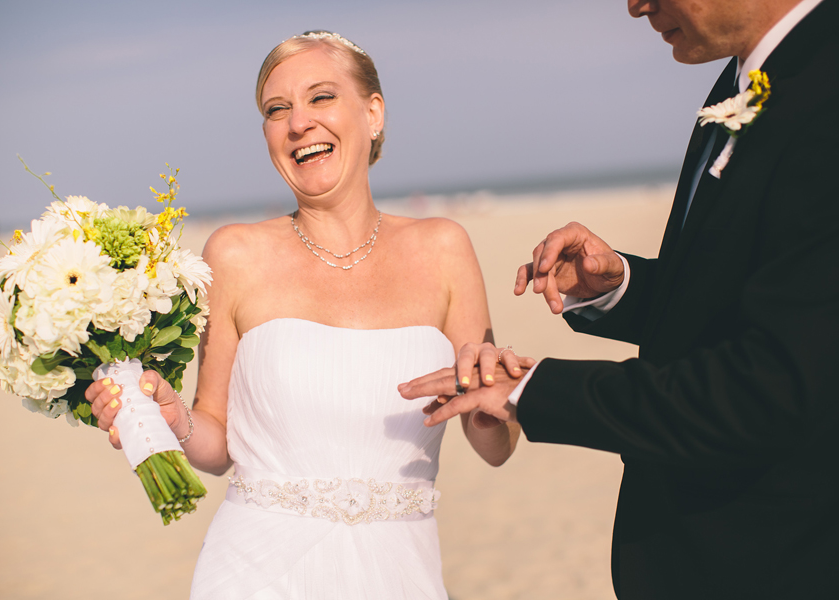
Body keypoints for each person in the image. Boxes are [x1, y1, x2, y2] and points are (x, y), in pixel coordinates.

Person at [400, 1, 839, 598]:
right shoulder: (747, 79)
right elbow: (763, 305)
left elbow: (773, 385)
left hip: (780, 561)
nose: (635, 6)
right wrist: (621, 287)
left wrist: (535, 391)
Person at [85, 30, 522, 599]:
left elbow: (494, 446)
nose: (298, 123)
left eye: (320, 98)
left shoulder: (445, 248)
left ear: (373, 114)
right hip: (254, 573)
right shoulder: (233, 254)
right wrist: (172, 418)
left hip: (401, 573)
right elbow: (215, 444)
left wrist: (493, 414)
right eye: (277, 109)